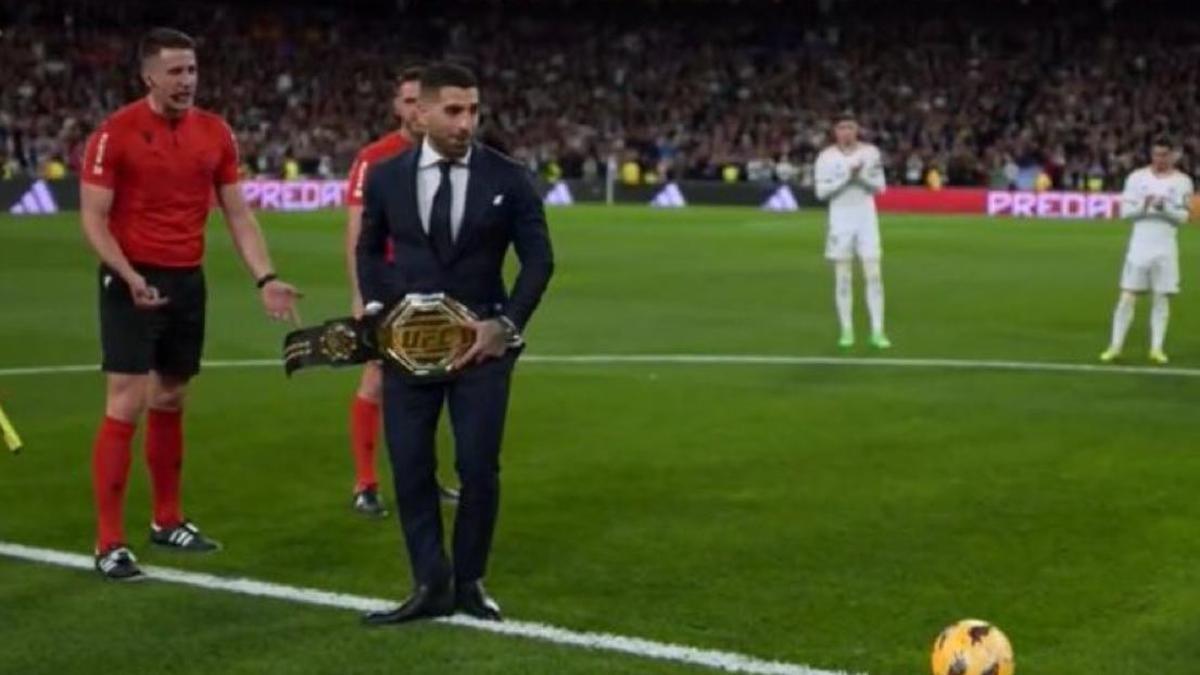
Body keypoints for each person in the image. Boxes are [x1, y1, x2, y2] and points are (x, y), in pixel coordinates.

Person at [81, 28, 301, 580]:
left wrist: (265, 277)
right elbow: (93, 217)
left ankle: (167, 519)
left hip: (186, 279)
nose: (187, 82)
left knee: (173, 396)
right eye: (175, 72)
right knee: (126, 400)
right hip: (131, 278)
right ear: (149, 75)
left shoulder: (215, 133)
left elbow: (237, 213)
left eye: (193, 71)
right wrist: (128, 274)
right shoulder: (116, 134)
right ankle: (109, 542)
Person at [356, 62, 553, 624]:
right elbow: (368, 250)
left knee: (477, 467)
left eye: (473, 110)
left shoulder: (508, 177)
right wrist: (377, 310)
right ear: (421, 112)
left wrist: (507, 324)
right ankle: (429, 583)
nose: (466, 122)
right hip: (408, 348)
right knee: (412, 466)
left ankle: (470, 582)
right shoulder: (387, 177)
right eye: (454, 110)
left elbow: (539, 259)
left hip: (481, 349)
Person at [343, 66, 459, 518]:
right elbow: (356, 230)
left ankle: (423, 478)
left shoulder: (447, 156)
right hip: (387, 281)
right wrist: (360, 295)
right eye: (407, 101)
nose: (415, 110)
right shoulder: (375, 158)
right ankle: (366, 484)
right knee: (376, 379)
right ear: (398, 107)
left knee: (428, 383)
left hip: (434, 282)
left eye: (421, 101)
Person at [1100, 137, 1194, 365]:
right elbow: (1124, 213)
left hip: (1165, 249)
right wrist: (1144, 206)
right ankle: (1115, 347)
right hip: (1139, 247)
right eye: (1156, 154)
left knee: (1161, 298)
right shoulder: (1136, 178)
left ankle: (1156, 348)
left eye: (1164, 154)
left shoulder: (1183, 182)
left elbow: (1184, 217)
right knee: (1127, 298)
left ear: (1173, 155)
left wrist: (1165, 209)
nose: (1159, 159)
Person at [814, 113, 890, 349]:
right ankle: (846, 330)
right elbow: (820, 193)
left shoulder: (870, 153)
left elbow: (881, 188)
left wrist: (861, 177)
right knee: (843, 276)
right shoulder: (825, 157)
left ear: (857, 130)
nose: (845, 132)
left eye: (850, 127)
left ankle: (877, 331)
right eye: (841, 127)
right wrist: (847, 178)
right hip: (841, 220)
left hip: (866, 219)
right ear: (835, 131)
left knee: (874, 275)